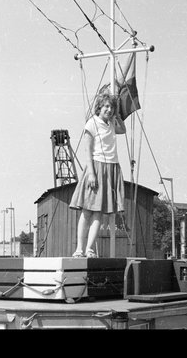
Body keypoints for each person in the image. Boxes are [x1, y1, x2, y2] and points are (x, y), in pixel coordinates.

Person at [69, 92, 126, 258]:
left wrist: (117, 116)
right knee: (87, 211)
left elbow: (122, 129)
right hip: (96, 166)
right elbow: (88, 150)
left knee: (99, 213)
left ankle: (90, 249)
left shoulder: (111, 123)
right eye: (106, 106)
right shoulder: (92, 123)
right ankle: (79, 248)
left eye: (112, 107)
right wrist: (92, 173)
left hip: (111, 167)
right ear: (99, 107)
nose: (109, 110)